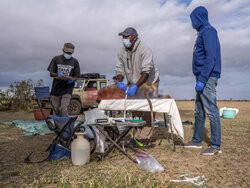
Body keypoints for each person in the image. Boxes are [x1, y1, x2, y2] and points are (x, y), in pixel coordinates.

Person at [184, 6, 222, 155]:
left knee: (211, 110)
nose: (192, 23)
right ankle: (197, 140)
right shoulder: (202, 32)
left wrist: (203, 79)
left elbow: (211, 57)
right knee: (199, 111)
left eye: (193, 19)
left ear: (198, 18)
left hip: (207, 77)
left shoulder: (209, 31)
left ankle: (215, 145)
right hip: (201, 77)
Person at [115, 27, 160, 146]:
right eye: (122, 37)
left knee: (146, 108)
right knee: (135, 109)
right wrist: (120, 81)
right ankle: (137, 136)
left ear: (134, 38)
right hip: (133, 81)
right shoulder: (122, 52)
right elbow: (119, 68)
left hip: (148, 81)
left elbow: (146, 72)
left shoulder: (145, 50)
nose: (123, 39)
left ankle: (145, 138)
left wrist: (136, 86)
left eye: (126, 37)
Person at [47, 43, 80, 117]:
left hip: (67, 89)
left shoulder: (75, 62)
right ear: (63, 50)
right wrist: (58, 74)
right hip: (56, 89)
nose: (68, 54)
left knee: (63, 108)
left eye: (70, 53)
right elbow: (51, 73)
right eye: (67, 52)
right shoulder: (56, 59)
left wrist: (72, 79)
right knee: (56, 109)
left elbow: (77, 75)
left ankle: (65, 126)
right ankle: (57, 127)